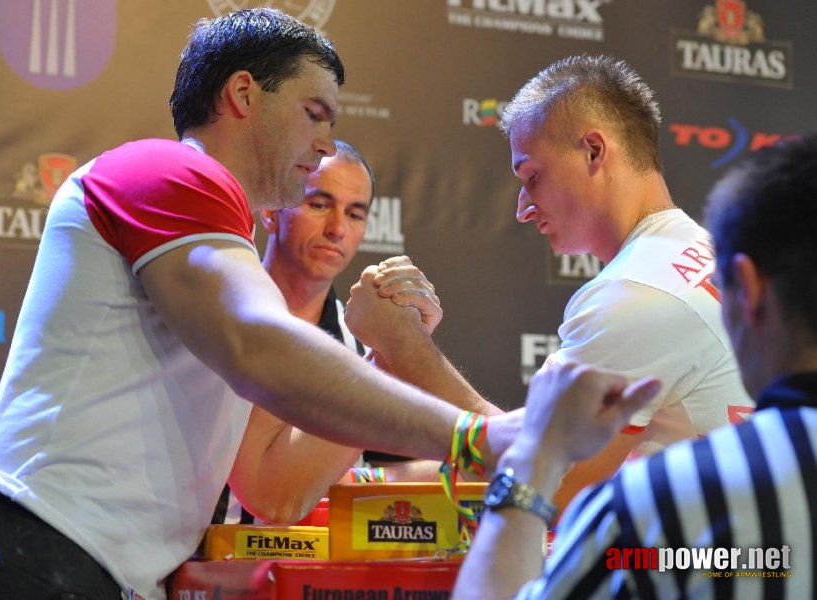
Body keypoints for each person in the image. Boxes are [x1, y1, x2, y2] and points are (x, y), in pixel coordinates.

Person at [0, 9, 522, 600]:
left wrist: (386, 352)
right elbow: (258, 345)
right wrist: (475, 437)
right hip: (35, 548)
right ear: (242, 94)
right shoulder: (171, 171)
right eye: (314, 114)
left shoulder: (222, 254)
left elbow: (273, 490)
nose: (326, 143)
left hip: (90, 567)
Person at [453, 133, 817, 599]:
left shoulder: (651, 510)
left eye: (533, 177)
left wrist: (532, 464)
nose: (524, 206)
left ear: (747, 290)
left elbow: (559, 494)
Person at [500, 54, 753, 511]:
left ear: (594, 151)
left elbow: (542, 485)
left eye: (532, 177)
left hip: (700, 573)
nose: (523, 207)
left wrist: (409, 350)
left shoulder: (636, 292)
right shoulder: (695, 251)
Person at [216, 140, 464, 525]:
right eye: (319, 205)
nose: (337, 229)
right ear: (269, 212)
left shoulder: (366, 346)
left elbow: (390, 469)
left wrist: (478, 462)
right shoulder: (212, 317)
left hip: (320, 574)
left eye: (354, 213)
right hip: (198, 562)